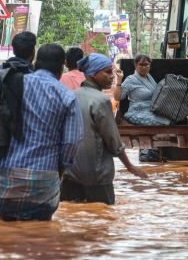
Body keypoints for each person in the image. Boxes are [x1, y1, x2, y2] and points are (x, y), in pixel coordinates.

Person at [0, 43, 83, 221]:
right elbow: (71, 143)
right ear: (61, 67)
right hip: (43, 178)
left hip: (2, 174)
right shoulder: (67, 96)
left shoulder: (11, 83)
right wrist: (58, 171)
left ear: (36, 61)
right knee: (39, 240)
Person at [61, 53, 147, 205]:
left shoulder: (70, 95)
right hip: (97, 174)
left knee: (72, 217)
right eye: (107, 72)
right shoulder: (101, 101)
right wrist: (129, 166)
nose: (112, 77)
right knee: (104, 217)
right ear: (93, 74)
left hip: (70, 173)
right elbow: (113, 141)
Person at [113, 54, 170, 126]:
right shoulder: (131, 79)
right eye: (141, 64)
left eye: (146, 64)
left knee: (170, 118)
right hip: (137, 112)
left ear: (150, 65)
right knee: (161, 123)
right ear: (136, 65)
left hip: (153, 110)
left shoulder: (149, 77)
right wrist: (119, 80)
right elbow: (117, 97)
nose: (144, 67)